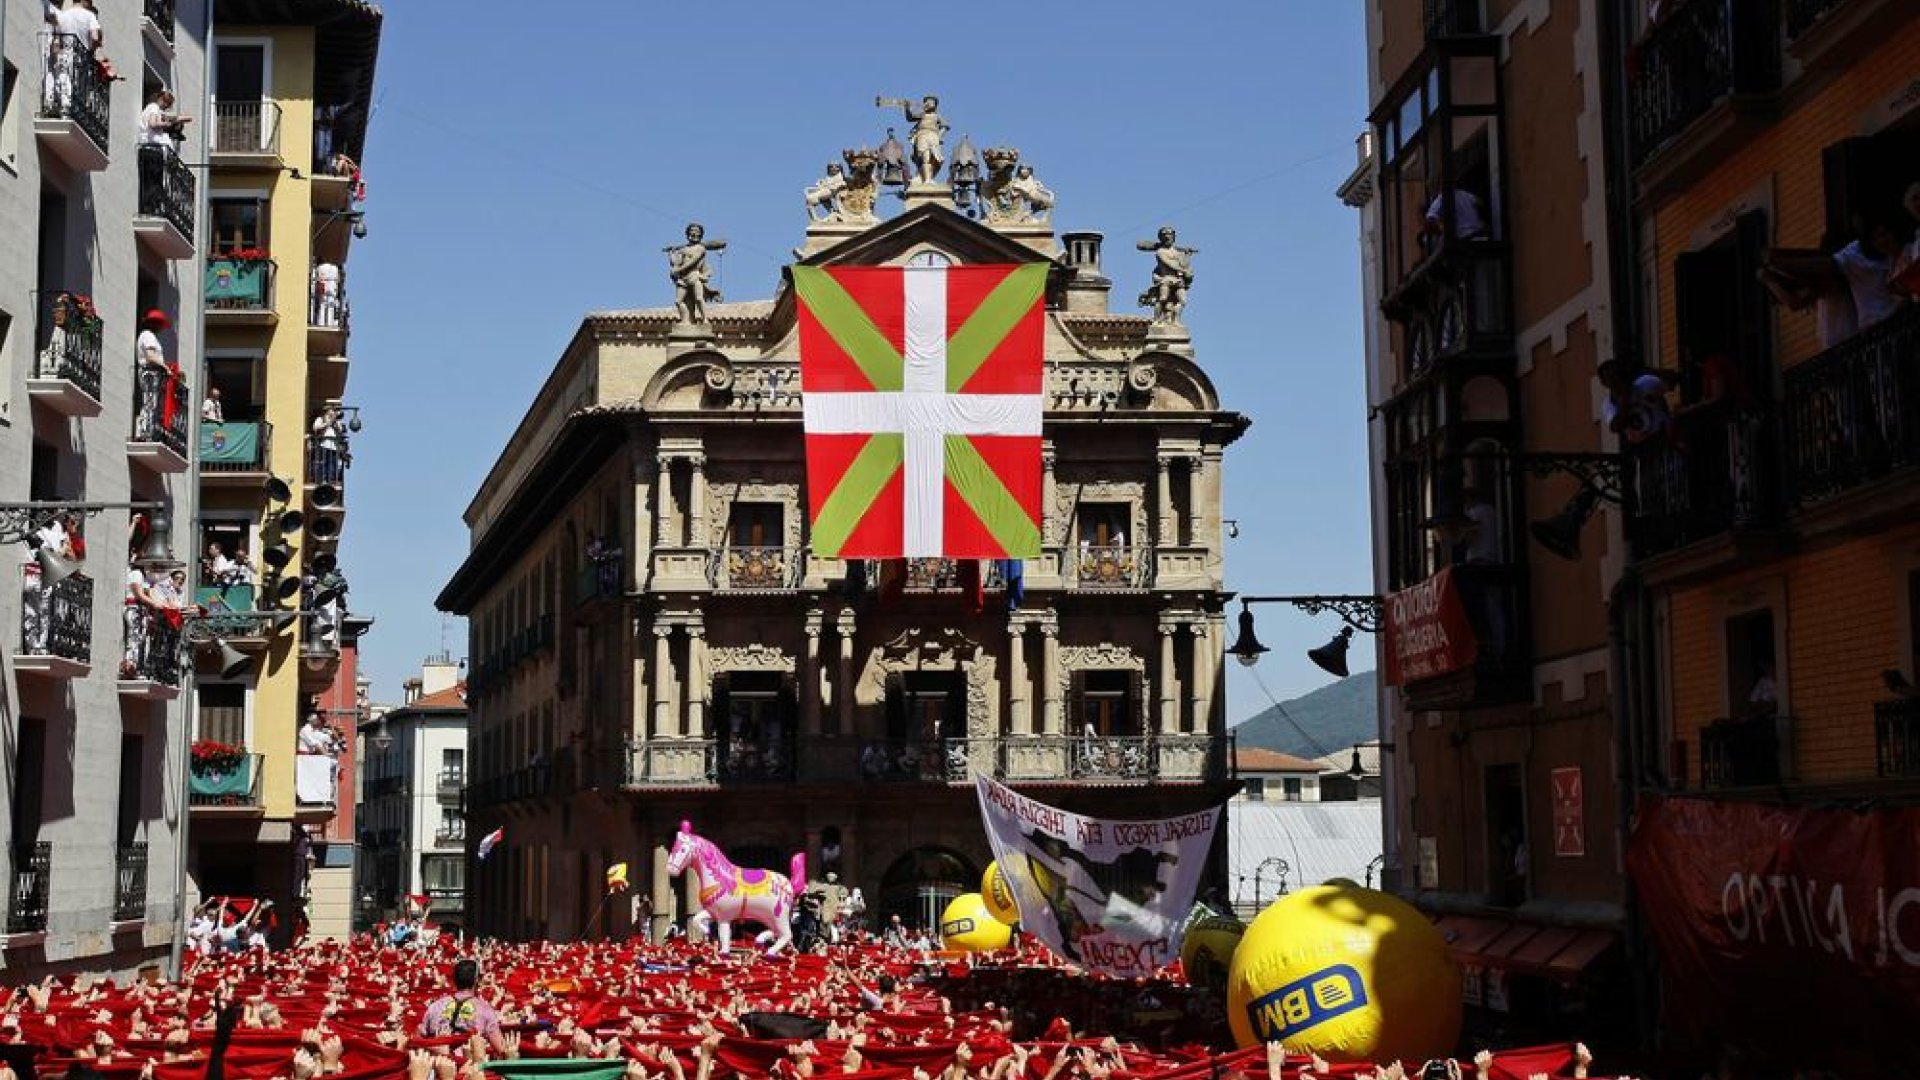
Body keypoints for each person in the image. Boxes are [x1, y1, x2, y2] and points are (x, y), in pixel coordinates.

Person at [417, 959, 506, 1055]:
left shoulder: (435, 1006)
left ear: (454, 979)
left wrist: (438, 1047)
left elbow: (418, 1039)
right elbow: (501, 1049)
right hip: (469, 1065)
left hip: (437, 1063)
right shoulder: (484, 1010)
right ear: (477, 981)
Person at [1598, 359, 1675, 445]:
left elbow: (1671, 380)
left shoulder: (1644, 383)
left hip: (1666, 434)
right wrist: (1623, 405)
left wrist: (1648, 372)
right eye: (1612, 379)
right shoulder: (1609, 405)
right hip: (1645, 446)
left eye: (1619, 375)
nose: (1617, 381)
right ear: (1604, 383)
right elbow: (1615, 427)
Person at [310, 405, 345, 485]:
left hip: (334, 447)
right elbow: (315, 428)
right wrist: (327, 423)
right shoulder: (321, 419)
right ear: (327, 411)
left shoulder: (337, 422)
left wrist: (335, 423)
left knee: (333, 465)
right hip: (324, 445)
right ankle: (323, 480)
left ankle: (331, 481)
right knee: (323, 463)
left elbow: (340, 431)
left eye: (334, 411)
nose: (334, 412)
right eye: (332, 410)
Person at [311, 260, 342, 327]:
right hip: (332, 287)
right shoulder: (335, 268)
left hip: (324, 286)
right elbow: (338, 280)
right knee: (330, 306)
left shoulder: (320, 267)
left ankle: (321, 323)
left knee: (322, 305)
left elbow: (317, 278)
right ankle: (329, 323)